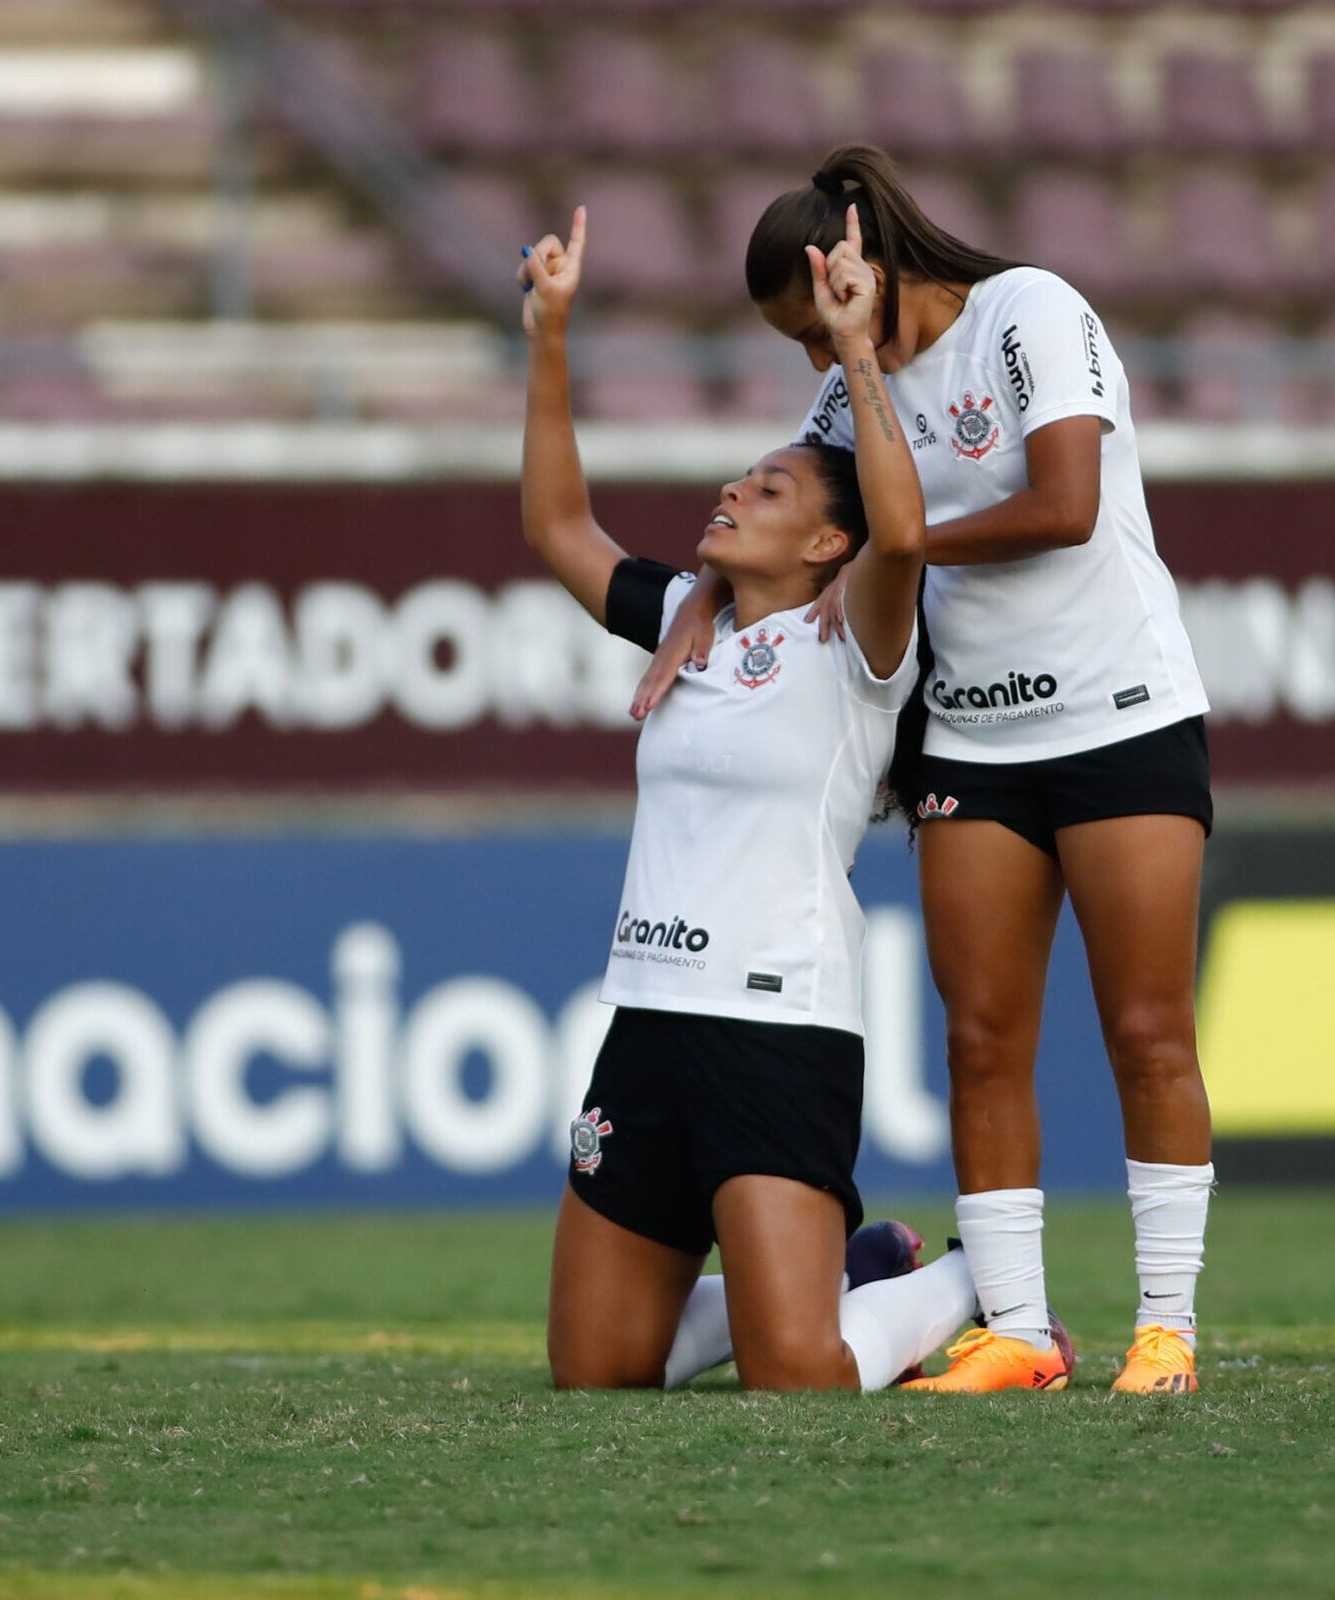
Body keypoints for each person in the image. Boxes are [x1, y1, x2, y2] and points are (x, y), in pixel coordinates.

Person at [636, 146, 1218, 1396]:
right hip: (975, 740)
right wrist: (702, 601)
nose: (814, 361)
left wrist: (895, 550)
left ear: (862, 267)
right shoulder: (849, 398)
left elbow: (1064, 503)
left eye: (816, 327)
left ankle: (1166, 1324)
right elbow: (779, 521)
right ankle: (1016, 1325)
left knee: (1146, 1030)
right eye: (795, 343)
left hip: (1118, 716)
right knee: (981, 1039)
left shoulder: (1031, 312)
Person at [519, 204, 974, 1392]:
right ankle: (840, 1266)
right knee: (595, 1374)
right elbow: (559, 526)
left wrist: (859, 349)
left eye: (769, 488)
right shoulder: (685, 616)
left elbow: (904, 534)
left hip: (780, 1028)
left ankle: (970, 1283)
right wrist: (550, 333)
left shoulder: (859, 643)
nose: (733, 487)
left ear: (830, 544)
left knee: (800, 1377)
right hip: (647, 1022)